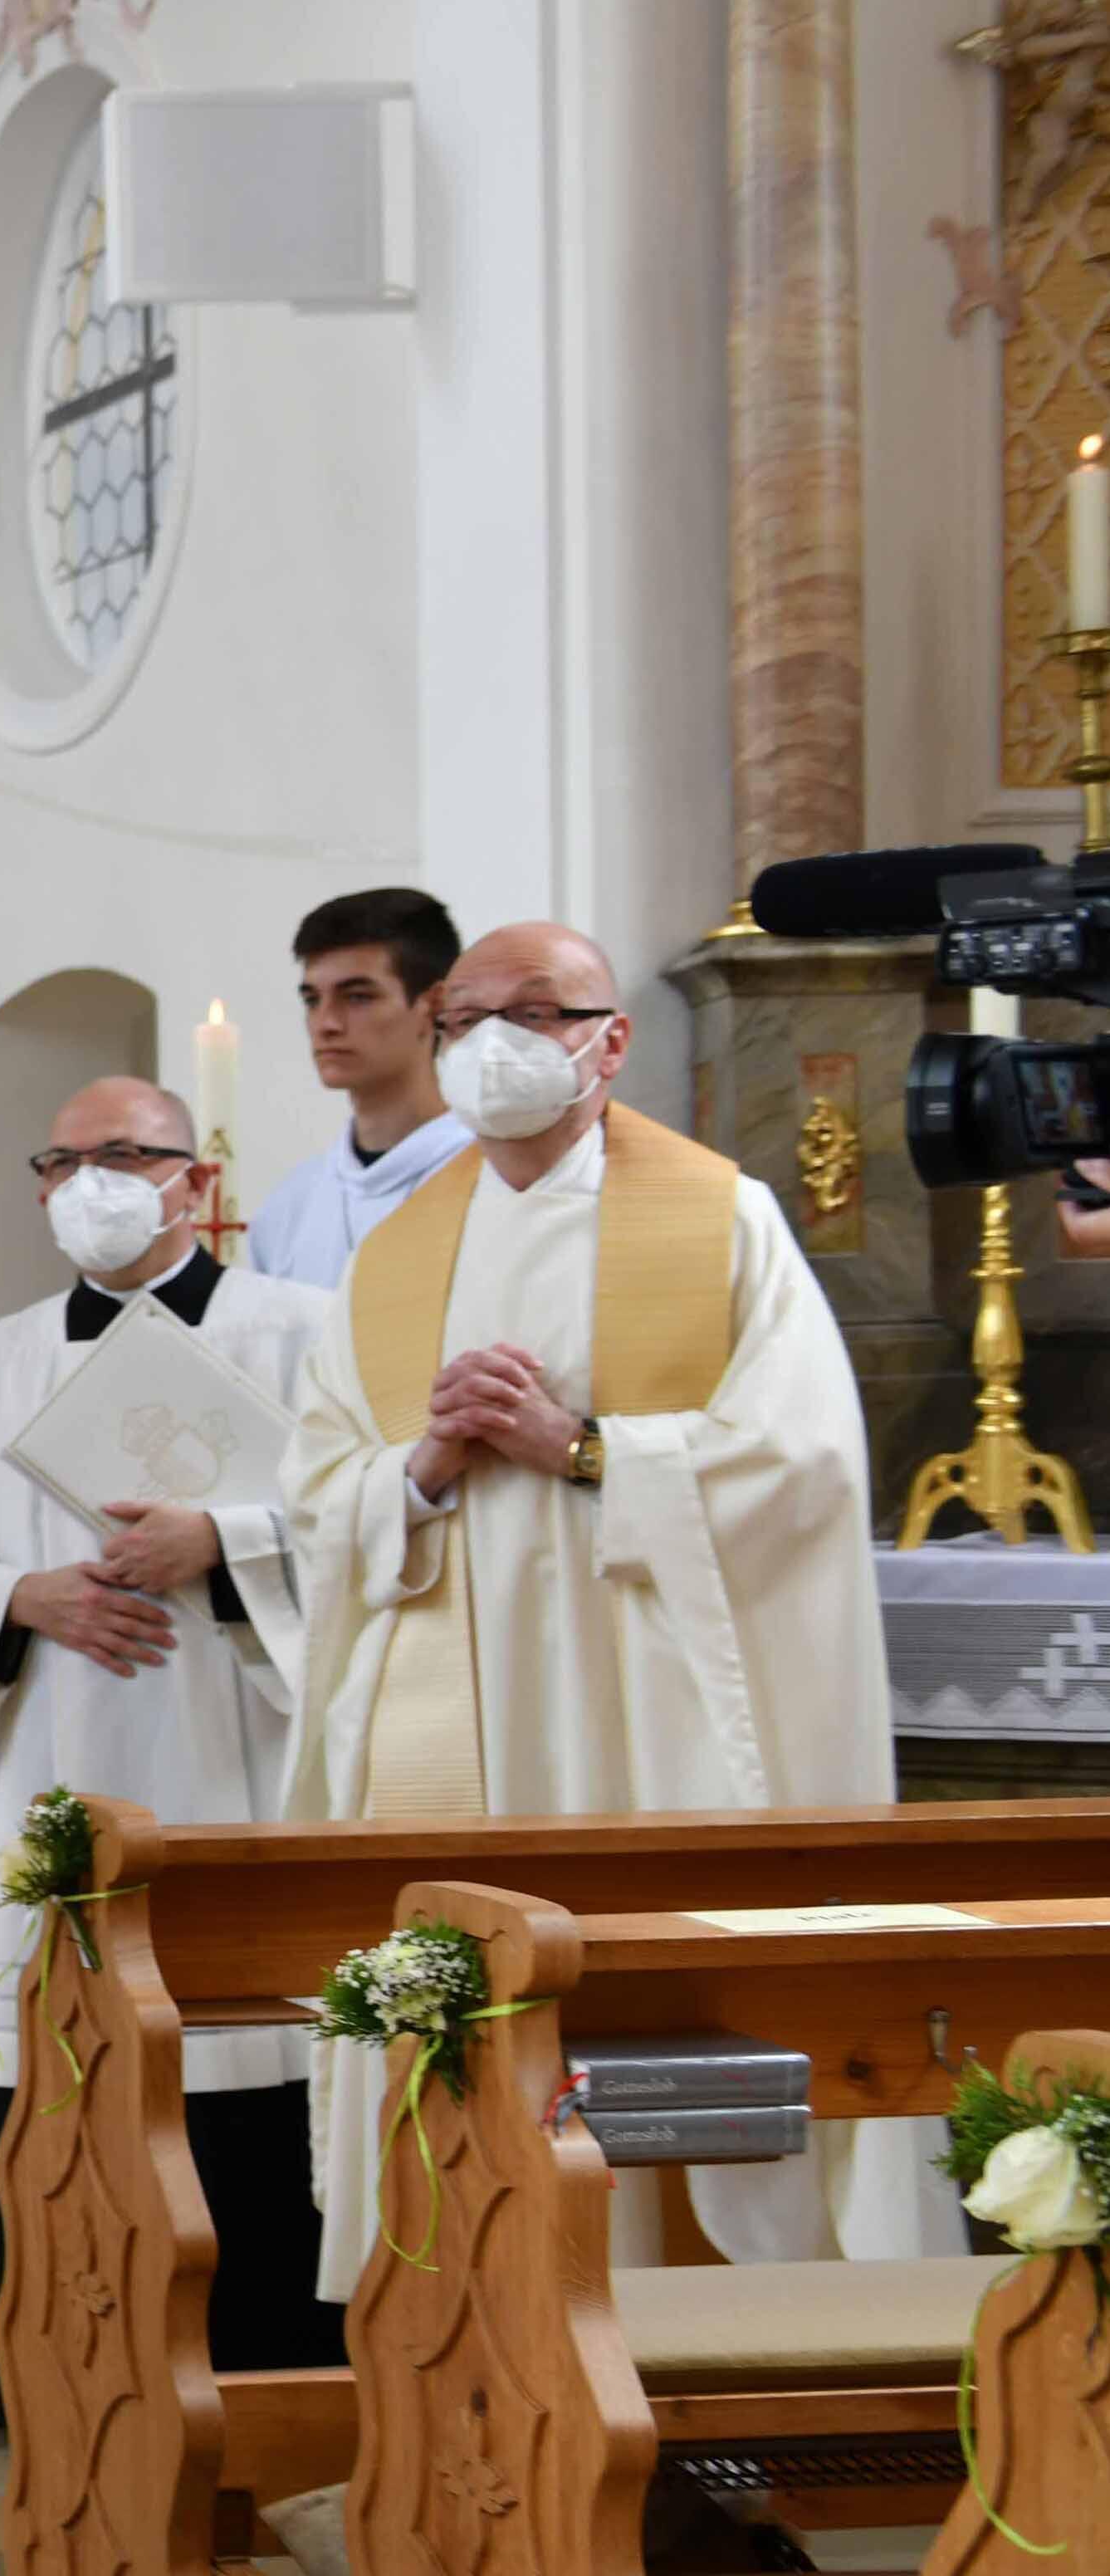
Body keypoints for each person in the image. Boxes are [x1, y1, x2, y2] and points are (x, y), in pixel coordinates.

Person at [284, 920, 949, 2273]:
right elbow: (313, 1491)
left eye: (535, 1011)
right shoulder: (396, 1253)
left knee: (661, 2004)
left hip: (651, 1711)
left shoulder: (718, 1219)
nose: (495, 1044)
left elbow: (806, 1463)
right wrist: (420, 1463)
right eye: (467, 1018)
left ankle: (698, 2345)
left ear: (611, 1038)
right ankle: (468, 2330)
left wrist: (582, 1448)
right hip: (460, 1718)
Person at [0, 1076, 341, 2422]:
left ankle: (260, 2362)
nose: (90, 1182)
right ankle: (50, 2373)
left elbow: (372, 1520)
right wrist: (17, 1595)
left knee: (242, 2038)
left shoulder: (303, 1332)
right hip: (58, 1752)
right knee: (61, 2033)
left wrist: (225, 1542)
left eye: (124, 1153)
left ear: (196, 1179)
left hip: (239, 1750)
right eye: (62, 1160)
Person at [244, 887, 469, 1289]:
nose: (326, 1023)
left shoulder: (489, 1179)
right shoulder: (288, 1207)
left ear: (435, 1005)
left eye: (358, 997)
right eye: (312, 1000)